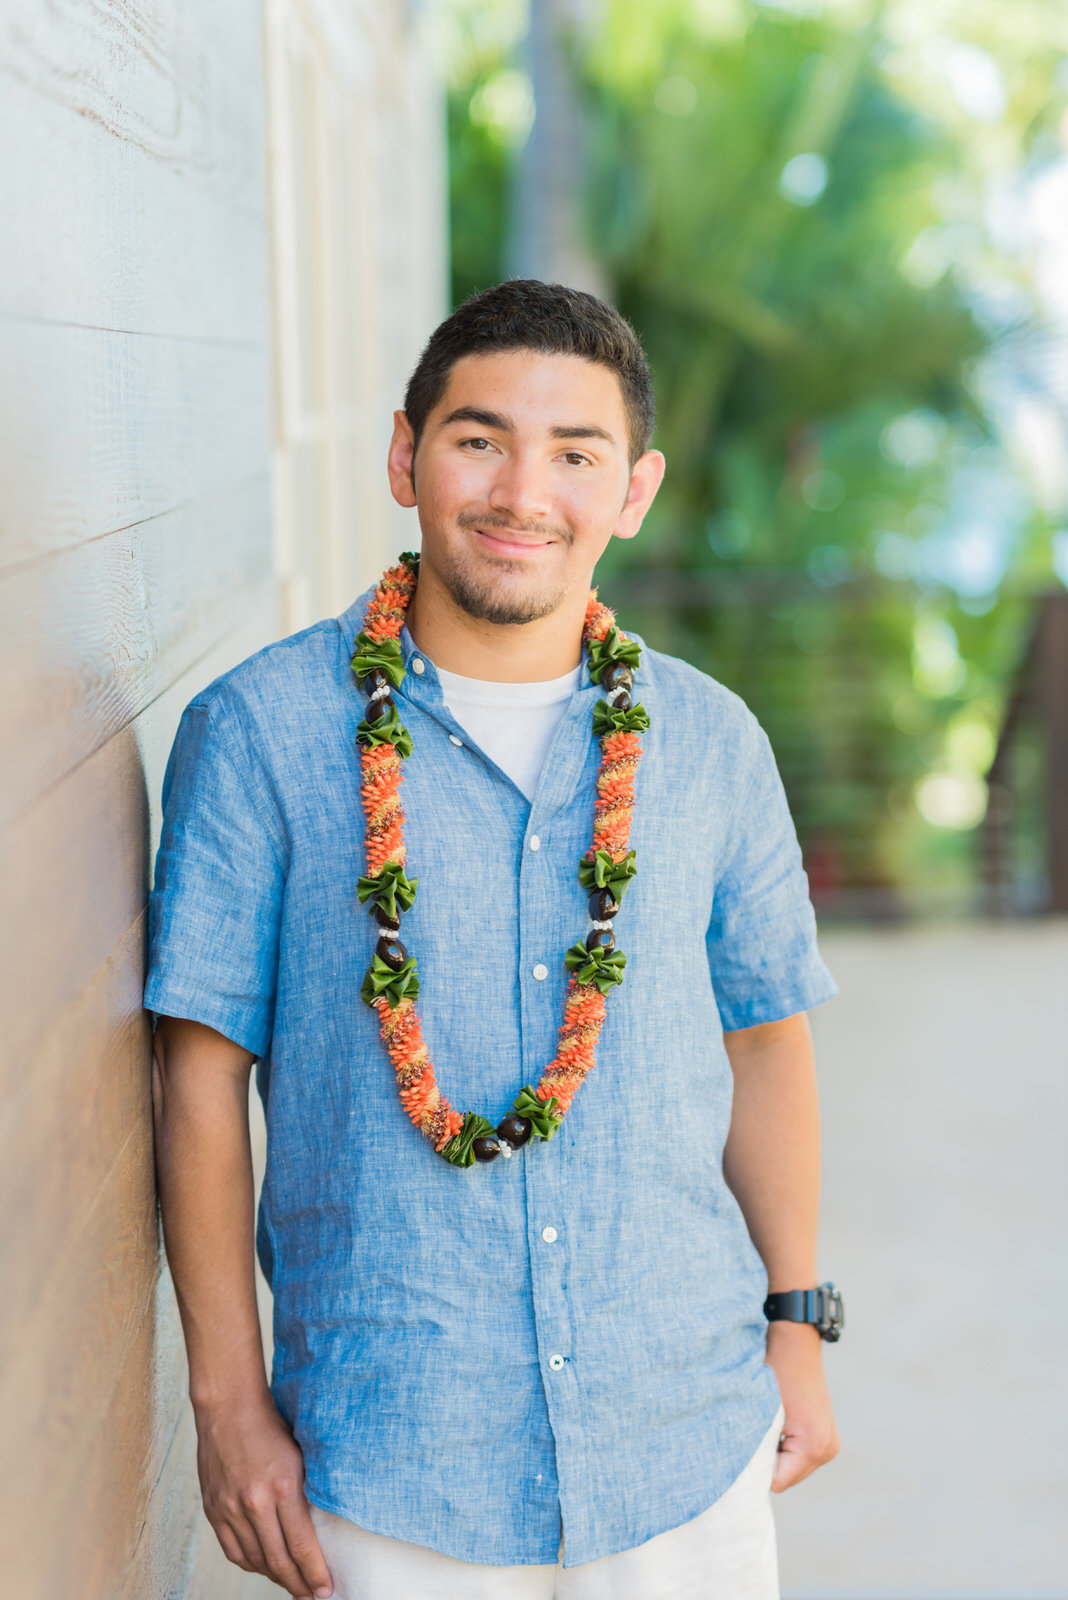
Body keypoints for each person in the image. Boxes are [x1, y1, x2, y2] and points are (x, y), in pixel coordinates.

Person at [146, 279, 841, 1600]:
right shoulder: (262, 733)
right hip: (392, 1469)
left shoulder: (709, 744)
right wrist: (228, 1412)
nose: (524, 491)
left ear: (630, 492)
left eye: (575, 454)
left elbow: (766, 1038)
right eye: (479, 439)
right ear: (406, 455)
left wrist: (799, 1326)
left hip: (680, 1448)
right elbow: (196, 1085)